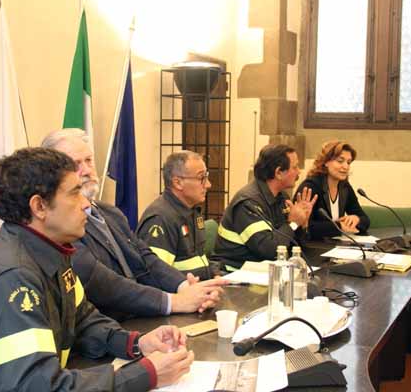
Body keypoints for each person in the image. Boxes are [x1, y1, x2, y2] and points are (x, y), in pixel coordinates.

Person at [0, 148, 193, 391]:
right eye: (74, 193)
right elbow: (36, 387)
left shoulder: (52, 252)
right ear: (39, 206)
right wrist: (145, 375)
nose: (86, 204)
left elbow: (83, 321)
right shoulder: (13, 278)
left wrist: (136, 344)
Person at [41, 129, 227, 322]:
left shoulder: (111, 213)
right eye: (75, 164)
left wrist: (187, 288)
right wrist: (175, 302)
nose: (87, 170)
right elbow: (104, 284)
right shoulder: (61, 226)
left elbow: (145, 259)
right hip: (108, 326)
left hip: (141, 317)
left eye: (89, 160)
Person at [213, 144, 317, 270]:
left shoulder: (281, 197)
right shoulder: (248, 203)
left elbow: (291, 245)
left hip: (265, 270)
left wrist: (303, 223)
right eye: (294, 167)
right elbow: (268, 250)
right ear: (278, 172)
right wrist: (294, 223)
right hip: (236, 272)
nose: (299, 172)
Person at [137, 151, 213, 280]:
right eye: (201, 178)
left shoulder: (192, 211)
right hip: (181, 296)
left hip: (200, 290)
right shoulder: (160, 219)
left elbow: (200, 260)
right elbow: (155, 277)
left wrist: (215, 274)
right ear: (178, 183)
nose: (208, 185)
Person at [294, 140, 370, 239]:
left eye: (348, 162)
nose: (346, 166)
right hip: (312, 247)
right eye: (340, 161)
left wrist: (356, 219)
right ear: (326, 162)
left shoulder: (344, 187)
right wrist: (339, 227)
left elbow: (365, 219)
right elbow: (303, 226)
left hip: (335, 245)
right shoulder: (311, 187)